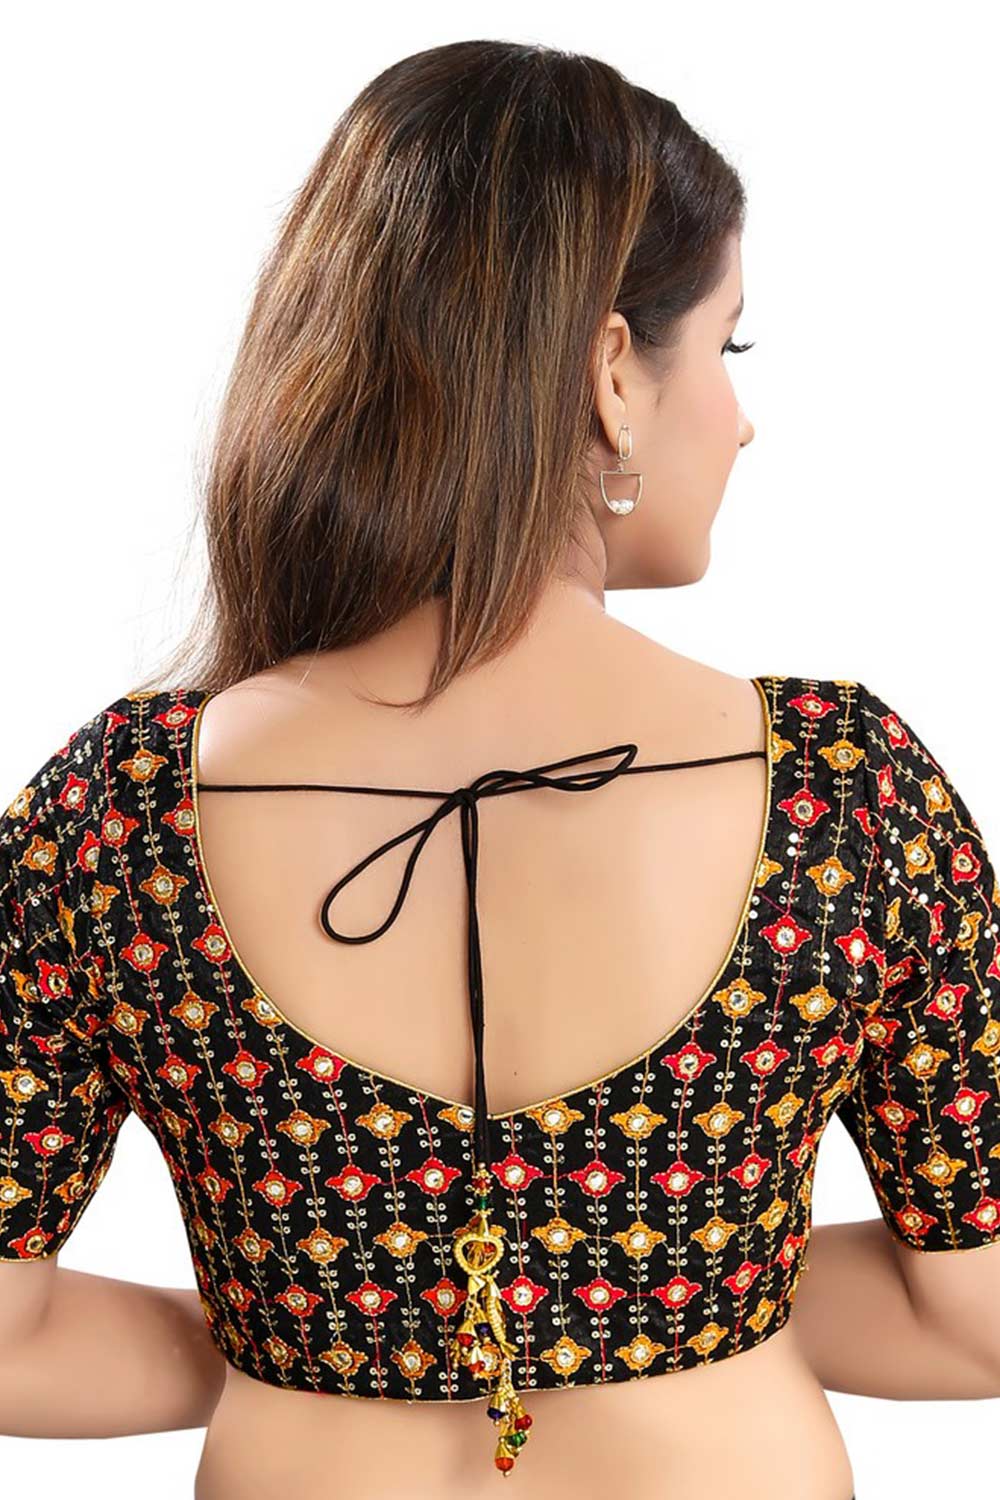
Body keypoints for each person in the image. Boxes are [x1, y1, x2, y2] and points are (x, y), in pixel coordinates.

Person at [2, 39, 998, 1500]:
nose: (742, 416)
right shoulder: (845, 797)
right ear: (612, 370)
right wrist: (675, 1287)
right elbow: (969, 1314)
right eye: (729, 348)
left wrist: (320, 1318)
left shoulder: (118, 815)